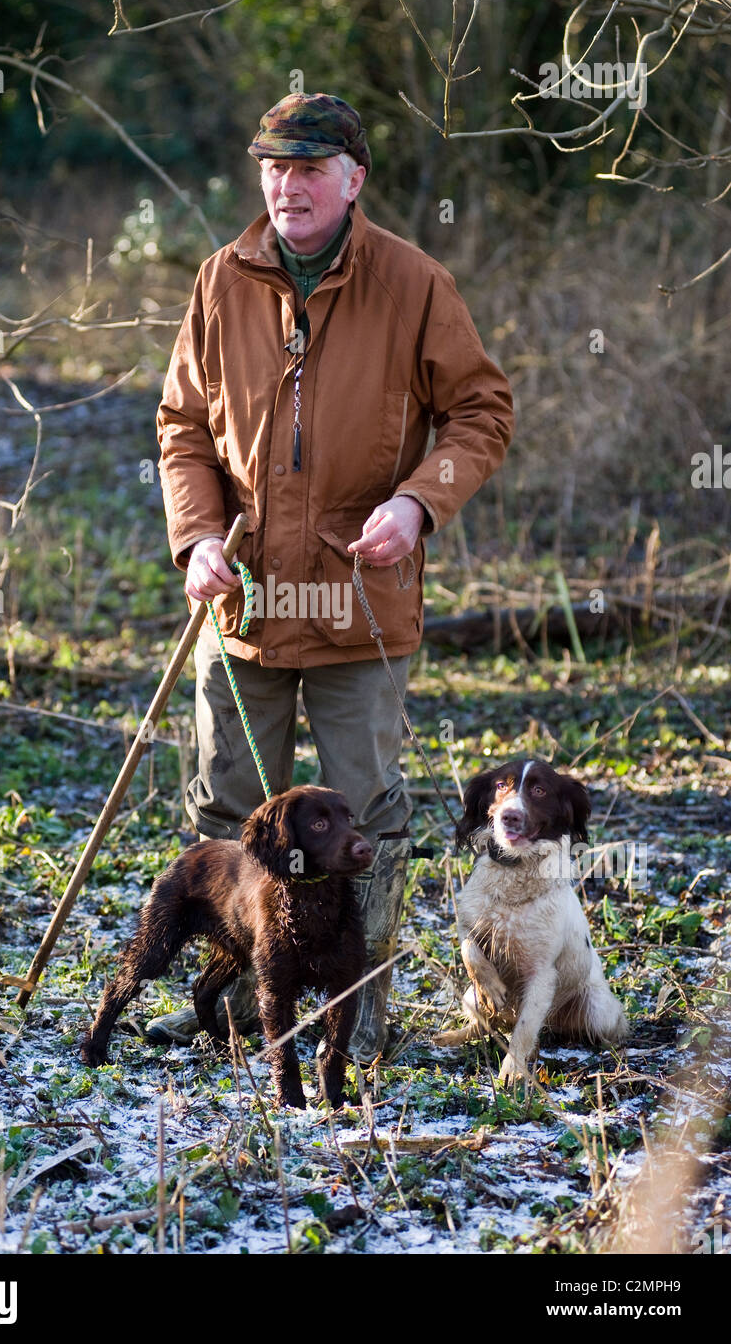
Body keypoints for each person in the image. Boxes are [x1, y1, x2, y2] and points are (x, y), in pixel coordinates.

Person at [151, 92, 515, 1061]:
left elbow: (481, 409)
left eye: (309, 169)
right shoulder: (219, 280)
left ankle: (355, 1024)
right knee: (231, 817)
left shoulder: (413, 282)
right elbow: (182, 427)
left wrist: (417, 502)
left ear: (353, 180)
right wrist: (195, 539)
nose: (288, 186)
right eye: (274, 167)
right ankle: (239, 1018)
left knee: (365, 827)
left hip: (361, 607)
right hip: (246, 606)